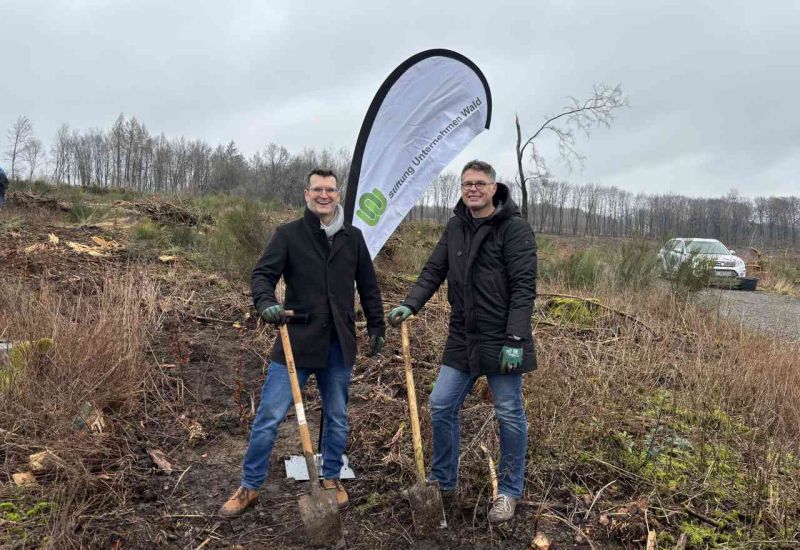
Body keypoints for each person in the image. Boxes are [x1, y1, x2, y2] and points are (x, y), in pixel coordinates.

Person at [219, 168, 386, 517]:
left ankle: (330, 479)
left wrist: (376, 325)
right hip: (295, 341)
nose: (324, 195)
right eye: (317, 190)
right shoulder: (289, 235)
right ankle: (250, 486)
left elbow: (369, 287)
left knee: (337, 416)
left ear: (337, 195)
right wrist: (266, 303)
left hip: (339, 343)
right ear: (306, 194)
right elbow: (262, 275)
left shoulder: (352, 239)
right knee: (269, 416)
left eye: (330, 190)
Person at [387, 160, 537, 524]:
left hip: (503, 339)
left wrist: (516, 337)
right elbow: (434, 270)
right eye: (467, 183)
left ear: (493, 187)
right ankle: (443, 481)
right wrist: (411, 303)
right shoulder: (456, 226)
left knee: (509, 414)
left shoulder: (514, 229)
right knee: (441, 403)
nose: (473, 189)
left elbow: (524, 288)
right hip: (462, 337)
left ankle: (509, 492)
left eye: (480, 183)